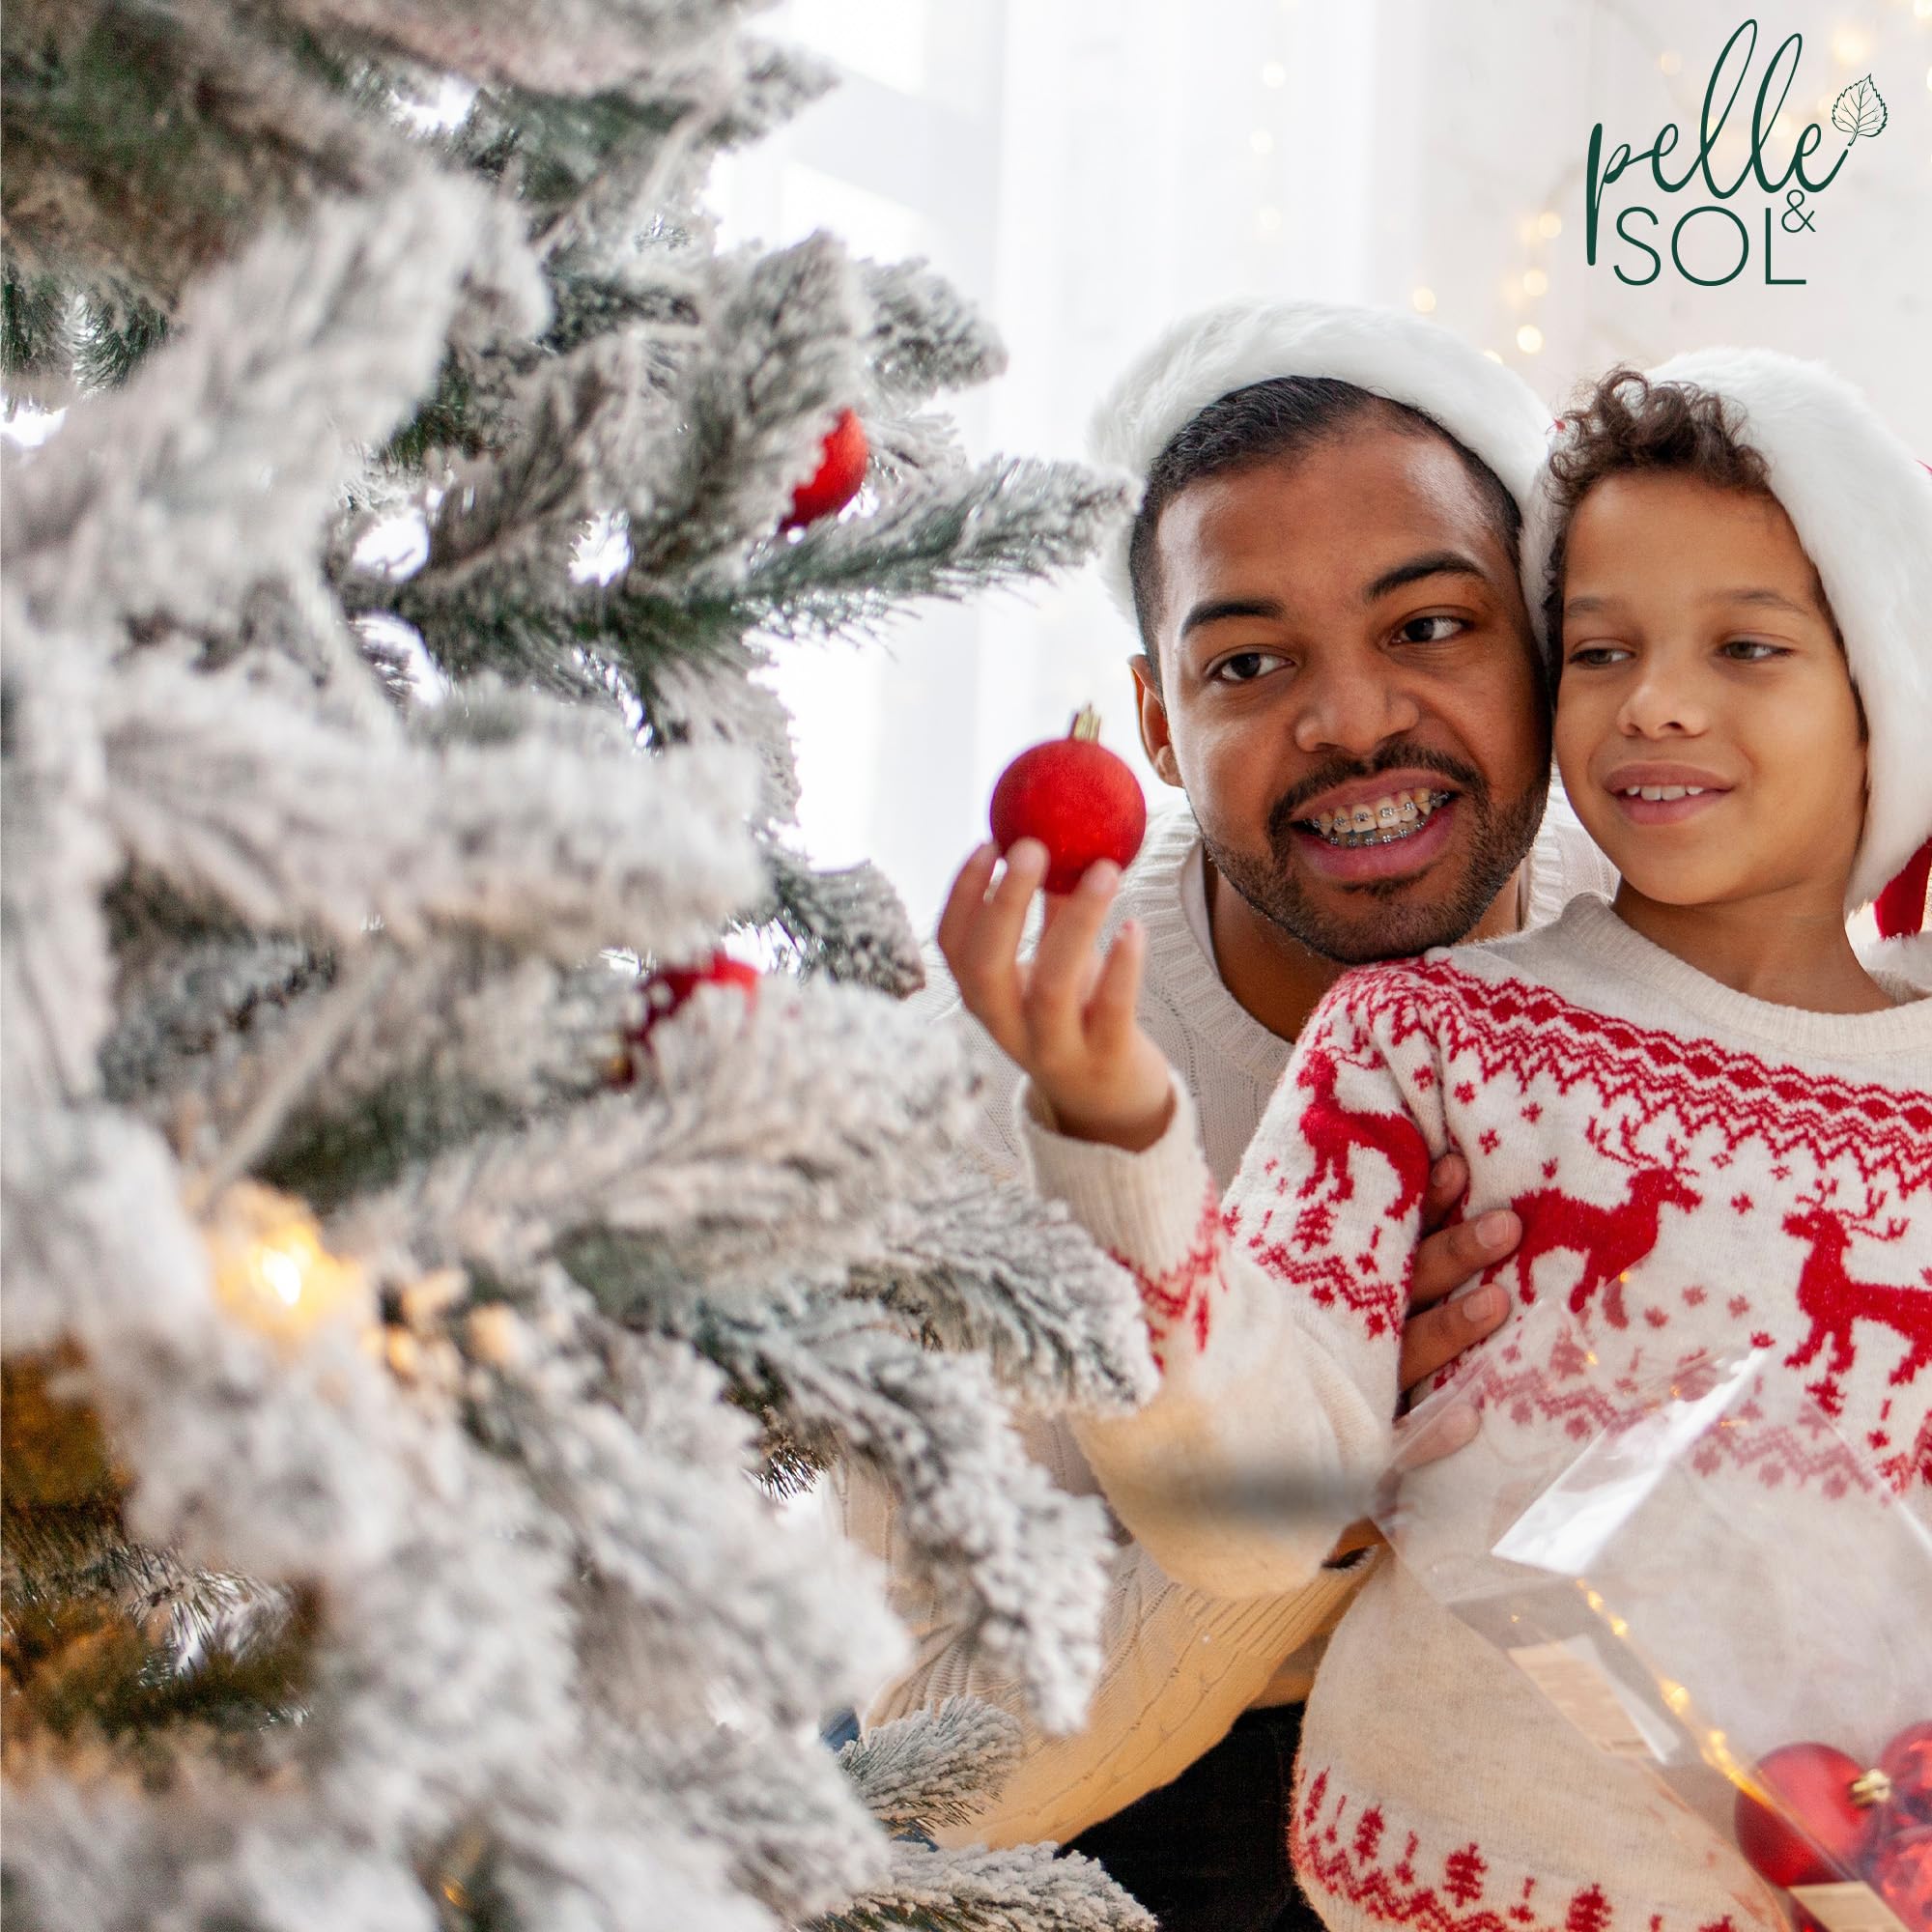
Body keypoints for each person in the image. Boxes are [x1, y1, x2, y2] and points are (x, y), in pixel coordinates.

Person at [942, 350, 1931, 1931]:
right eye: (1602, 648)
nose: (1659, 700)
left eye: (1747, 646)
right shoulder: (1427, 1040)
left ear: (1890, 685)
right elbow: (1249, 1508)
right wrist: (1113, 1127)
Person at [841, 300, 1618, 1932]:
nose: (1349, 722)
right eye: (1249, 663)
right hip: (1163, 1792)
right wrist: (1330, 1482)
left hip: (1586, 1737)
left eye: (1428, 627)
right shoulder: (999, 1083)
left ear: (1543, 646)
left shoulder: (1660, 913)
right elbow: (928, 1767)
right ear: (1154, 723)